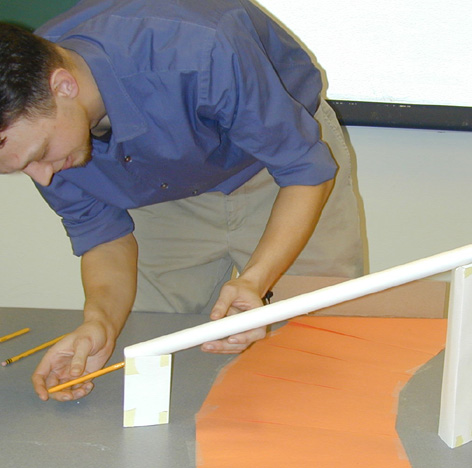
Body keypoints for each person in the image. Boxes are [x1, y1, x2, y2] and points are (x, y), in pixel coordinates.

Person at [0, 0, 363, 402]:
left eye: (40, 154)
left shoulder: (198, 47)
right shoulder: (33, 128)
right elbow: (103, 236)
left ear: (64, 87)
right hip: (161, 189)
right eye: (19, 169)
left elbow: (303, 171)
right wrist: (98, 321)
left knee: (321, 341)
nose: (43, 177)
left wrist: (254, 281)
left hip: (279, 167)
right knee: (155, 345)